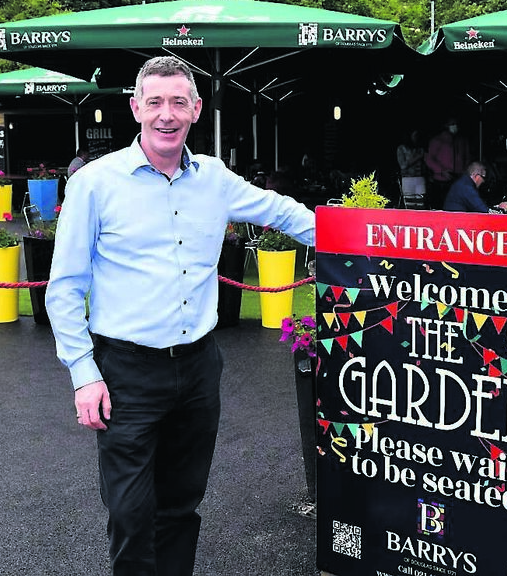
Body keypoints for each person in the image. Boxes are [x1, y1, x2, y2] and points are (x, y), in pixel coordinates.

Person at [45, 56, 315, 576]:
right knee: (129, 510)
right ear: (135, 109)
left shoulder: (214, 178)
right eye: (154, 102)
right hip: (124, 371)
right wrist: (84, 374)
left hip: (197, 369)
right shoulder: (95, 183)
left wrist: (361, 236)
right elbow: (65, 288)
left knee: (181, 504)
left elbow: (280, 211)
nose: (165, 115)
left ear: (195, 109)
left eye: (177, 102)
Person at [426, 117, 469, 208]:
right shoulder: (438, 140)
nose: (455, 126)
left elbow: (466, 157)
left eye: (456, 123)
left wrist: (465, 172)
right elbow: (429, 159)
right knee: (441, 205)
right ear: (446, 125)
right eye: (452, 124)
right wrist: (441, 170)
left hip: (458, 178)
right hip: (442, 179)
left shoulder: (462, 140)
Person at [443, 162, 507, 213]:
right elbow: (484, 211)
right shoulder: (467, 188)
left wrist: (497, 206)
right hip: (456, 223)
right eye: (483, 177)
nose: (483, 181)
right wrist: (501, 209)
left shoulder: (462, 183)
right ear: (476, 176)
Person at [396, 129, 427, 197]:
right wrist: (418, 157)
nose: (416, 137)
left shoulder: (420, 149)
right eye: (415, 135)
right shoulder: (402, 148)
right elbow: (403, 165)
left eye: (418, 135)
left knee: (420, 203)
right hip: (408, 179)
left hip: (420, 178)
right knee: (409, 202)